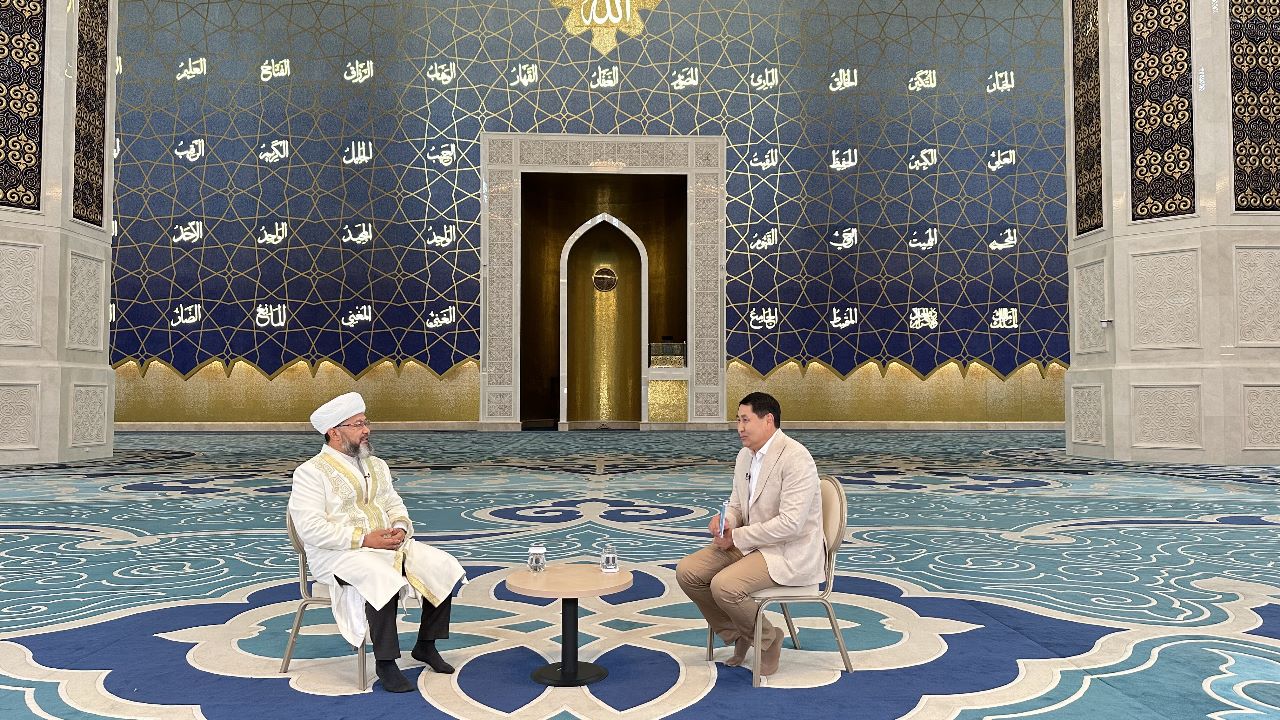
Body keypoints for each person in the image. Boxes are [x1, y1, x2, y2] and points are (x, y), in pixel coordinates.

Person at [288, 392, 466, 693]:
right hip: (338, 554)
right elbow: (310, 529)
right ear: (334, 432)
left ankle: (426, 645)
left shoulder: (376, 465)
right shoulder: (310, 473)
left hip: (385, 544)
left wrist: (400, 529)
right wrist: (363, 539)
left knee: (442, 565)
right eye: (357, 424)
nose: (366, 430)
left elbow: (393, 503)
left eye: (365, 422)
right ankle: (385, 662)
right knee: (381, 578)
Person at [675, 391, 825, 677]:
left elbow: (791, 524)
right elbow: (736, 504)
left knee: (725, 586)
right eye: (738, 420)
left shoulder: (796, 458)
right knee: (688, 572)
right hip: (751, 544)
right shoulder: (745, 455)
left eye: (745, 420)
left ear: (768, 420)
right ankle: (742, 633)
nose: (739, 428)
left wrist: (737, 537)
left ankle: (768, 640)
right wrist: (726, 521)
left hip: (787, 551)